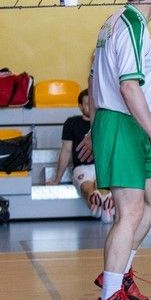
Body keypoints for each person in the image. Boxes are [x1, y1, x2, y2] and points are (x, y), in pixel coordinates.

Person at [89, 0, 151, 300]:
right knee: (130, 210)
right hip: (124, 122)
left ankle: (120, 272)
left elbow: (93, 72)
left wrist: (94, 123)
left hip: (125, 122)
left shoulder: (114, 22)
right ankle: (109, 296)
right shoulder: (131, 25)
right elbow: (128, 86)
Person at [47, 88, 115, 224]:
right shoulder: (71, 123)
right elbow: (66, 151)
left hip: (102, 166)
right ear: (80, 106)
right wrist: (57, 179)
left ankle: (99, 204)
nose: (91, 107)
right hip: (82, 167)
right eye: (87, 104)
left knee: (101, 183)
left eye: (93, 103)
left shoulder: (104, 122)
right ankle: (104, 205)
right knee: (87, 187)